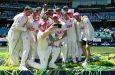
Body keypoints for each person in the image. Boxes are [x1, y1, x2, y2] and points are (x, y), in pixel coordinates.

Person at [7, 6, 32, 70]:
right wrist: (26, 29)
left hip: (18, 33)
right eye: (29, 12)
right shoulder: (20, 16)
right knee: (13, 48)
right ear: (26, 11)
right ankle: (14, 63)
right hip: (13, 33)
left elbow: (14, 18)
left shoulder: (25, 16)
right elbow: (16, 26)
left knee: (18, 47)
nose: (30, 13)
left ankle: (16, 61)